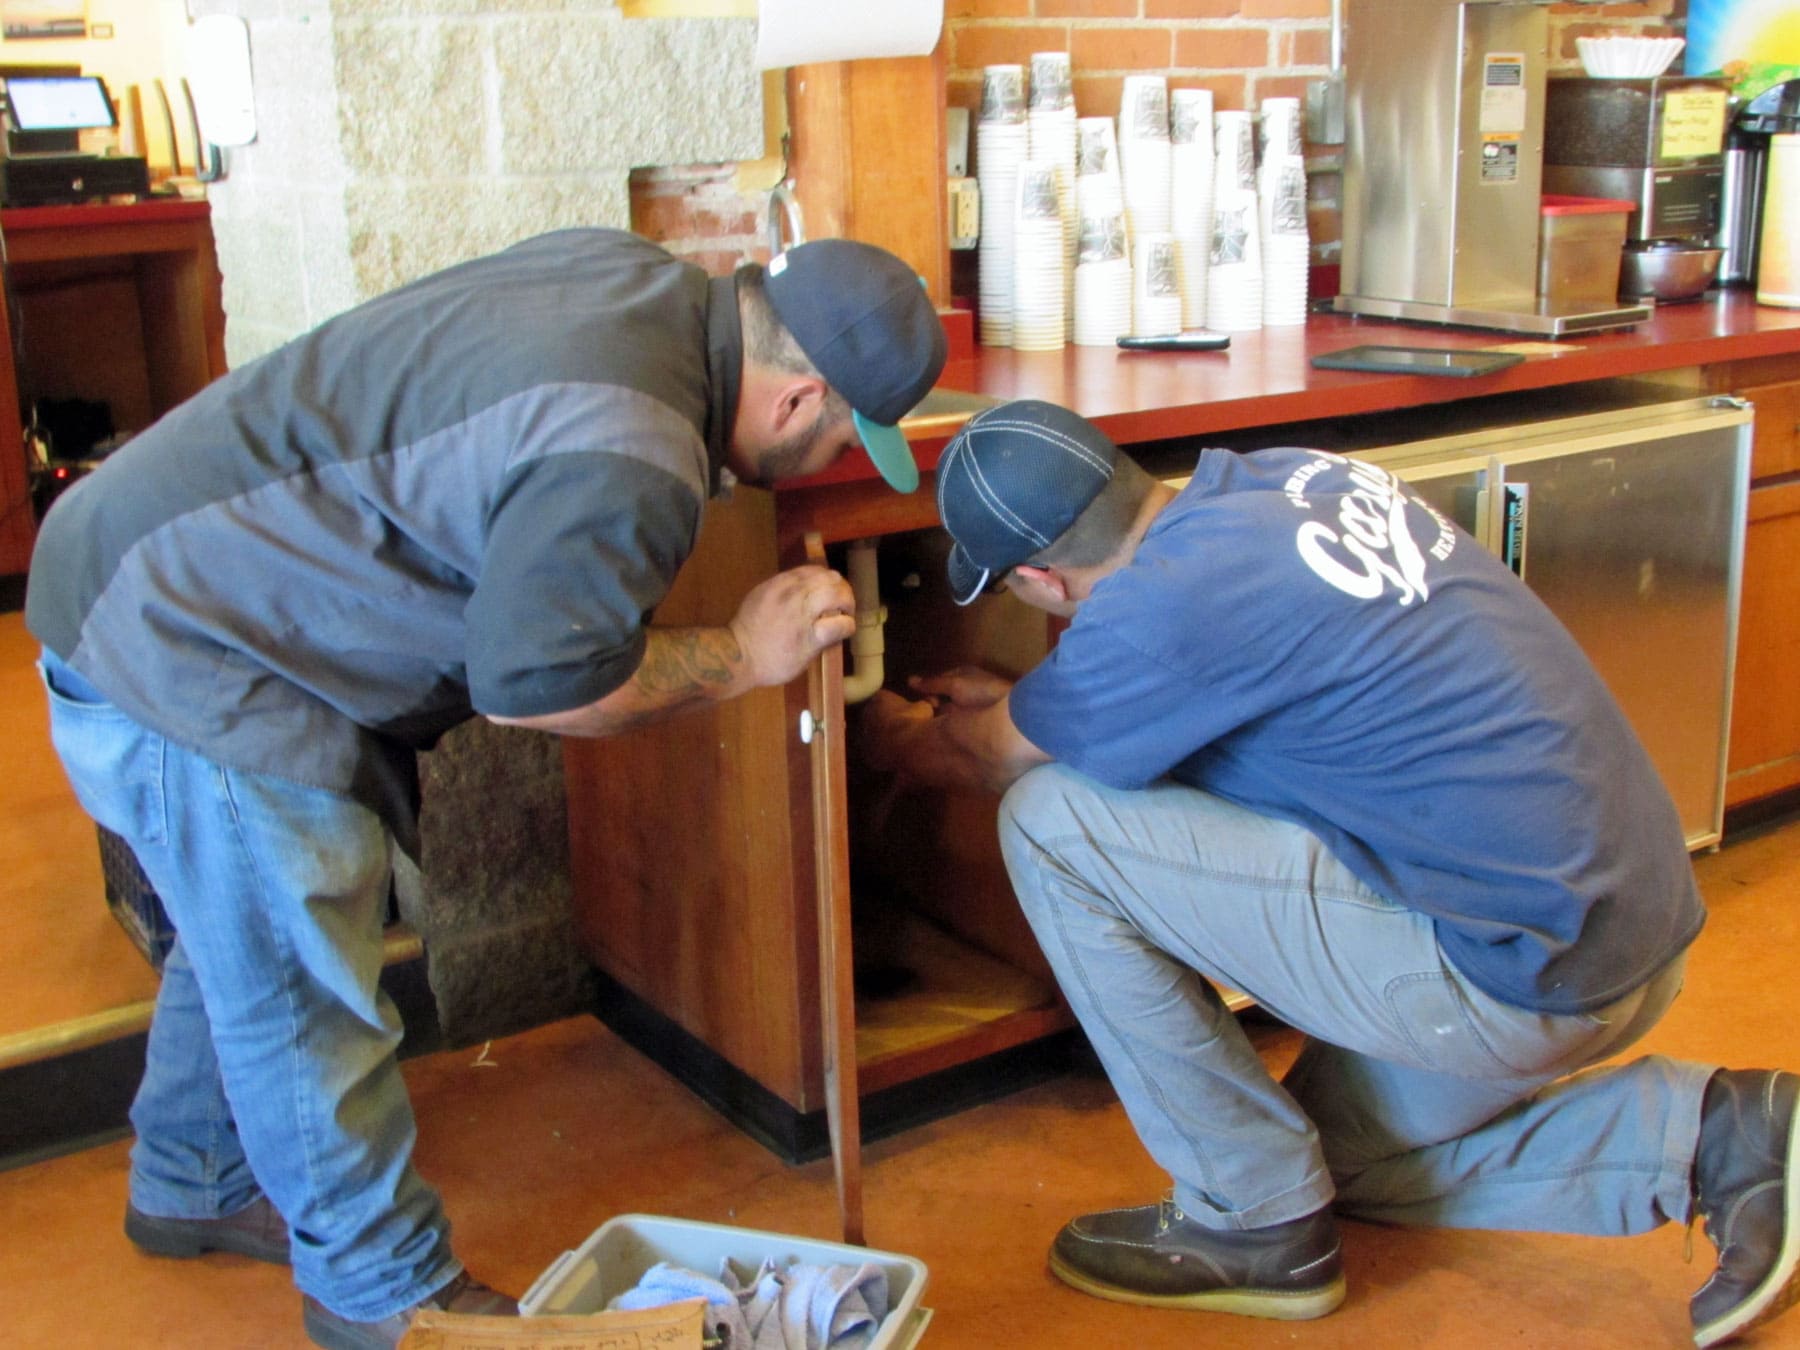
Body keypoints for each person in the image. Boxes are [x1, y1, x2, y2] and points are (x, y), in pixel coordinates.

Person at [25, 228, 945, 1350]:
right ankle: (381, 1293)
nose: (841, 458)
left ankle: (193, 1173)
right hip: (187, 642)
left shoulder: (639, 279)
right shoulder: (634, 447)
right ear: (800, 401)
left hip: (138, 566)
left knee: (248, 925)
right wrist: (743, 657)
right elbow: (537, 688)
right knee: (297, 964)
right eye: (849, 434)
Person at [859, 398, 1799, 1347]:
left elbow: (985, 760)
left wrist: (889, 737)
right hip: (1630, 928)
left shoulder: (1160, 613)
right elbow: (1200, 684)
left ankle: (1246, 1219)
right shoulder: (1279, 480)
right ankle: (1724, 1138)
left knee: (1048, 819)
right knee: (1321, 1165)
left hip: (1518, 981)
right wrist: (1033, 709)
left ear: (1038, 577)